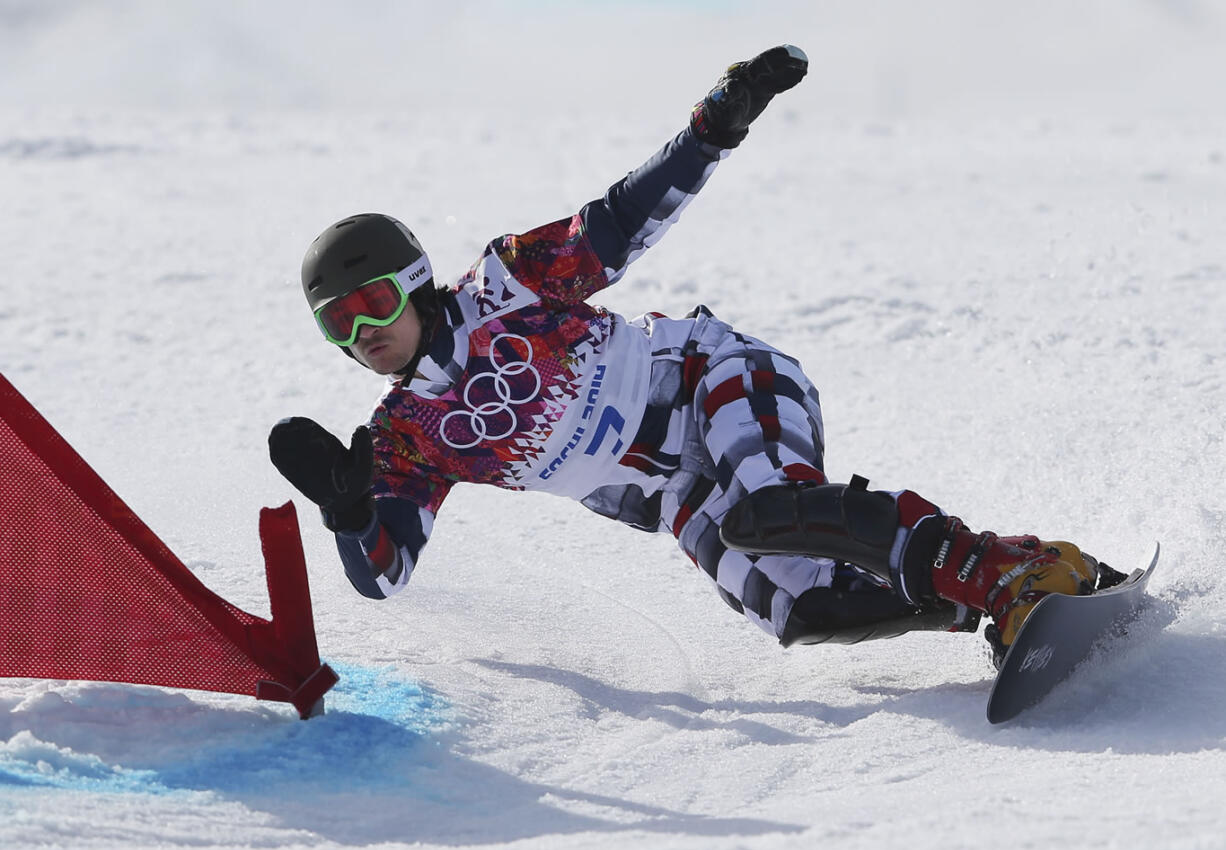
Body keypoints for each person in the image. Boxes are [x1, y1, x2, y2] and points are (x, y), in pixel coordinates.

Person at [269, 45, 1120, 669]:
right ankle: (1003, 600)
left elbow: (616, 224)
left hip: (710, 378)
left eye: (374, 302)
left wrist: (711, 131)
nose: (362, 332)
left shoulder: (507, 285)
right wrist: (350, 517)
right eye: (336, 323)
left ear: (415, 284)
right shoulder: (408, 439)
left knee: (771, 509)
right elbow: (384, 582)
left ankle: (1004, 573)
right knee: (804, 607)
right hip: (675, 491)